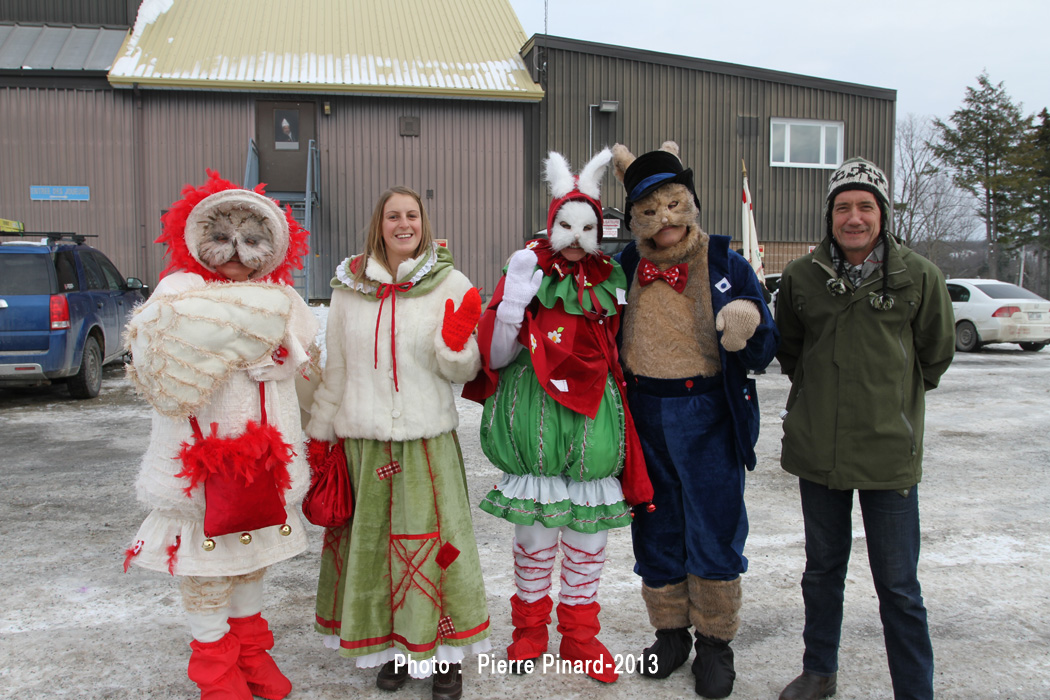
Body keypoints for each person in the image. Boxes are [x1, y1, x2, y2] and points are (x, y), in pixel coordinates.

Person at [123, 170, 319, 700]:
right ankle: (215, 669)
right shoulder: (178, 290)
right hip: (201, 458)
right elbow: (154, 363)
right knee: (207, 568)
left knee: (251, 560)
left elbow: (303, 353)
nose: (235, 252)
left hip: (263, 458)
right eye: (223, 238)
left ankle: (252, 654)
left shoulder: (282, 295)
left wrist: (285, 362)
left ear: (273, 244)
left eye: (251, 240)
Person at [463, 149, 651, 684]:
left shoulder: (612, 277)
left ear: (598, 227)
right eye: (566, 225)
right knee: (536, 536)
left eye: (587, 225)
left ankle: (580, 636)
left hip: (594, 419)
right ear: (551, 223)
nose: (575, 236)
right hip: (535, 418)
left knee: (589, 536)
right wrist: (511, 306)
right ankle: (529, 631)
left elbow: (622, 349)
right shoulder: (523, 266)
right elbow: (496, 357)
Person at [774, 157, 955, 700]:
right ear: (830, 215)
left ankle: (914, 688)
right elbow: (791, 351)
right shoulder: (802, 278)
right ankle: (818, 672)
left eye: (865, 207)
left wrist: (891, 400)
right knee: (822, 570)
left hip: (888, 451)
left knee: (898, 585)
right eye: (843, 207)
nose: (854, 217)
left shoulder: (918, 276)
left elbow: (935, 354)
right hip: (819, 451)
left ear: (882, 214)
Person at [306, 186, 489, 700]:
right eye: (393, 216)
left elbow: (463, 368)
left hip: (424, 443)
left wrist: (454, 344)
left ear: (423, 222)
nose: (403, 223)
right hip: (363, 444)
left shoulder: (449, 282)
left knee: (436, 551)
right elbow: (337, 369)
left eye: (411, 215)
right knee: (375, 552)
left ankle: (446, 657)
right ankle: (395, 650)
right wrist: (320, 436)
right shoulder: (349, 288)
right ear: (378, 224)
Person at [611, 141, 778, 699]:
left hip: (708, 414)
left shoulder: (726, 263)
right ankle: (670, 633)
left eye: (674, 205)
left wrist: (746, 322)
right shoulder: (626, 267)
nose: (665, 221)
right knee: (656, 525)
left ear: (692, 202)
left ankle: (714, 641)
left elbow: (765, 343)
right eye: (650, 211)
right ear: (635, 217)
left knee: (713, 527)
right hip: (644, 416)